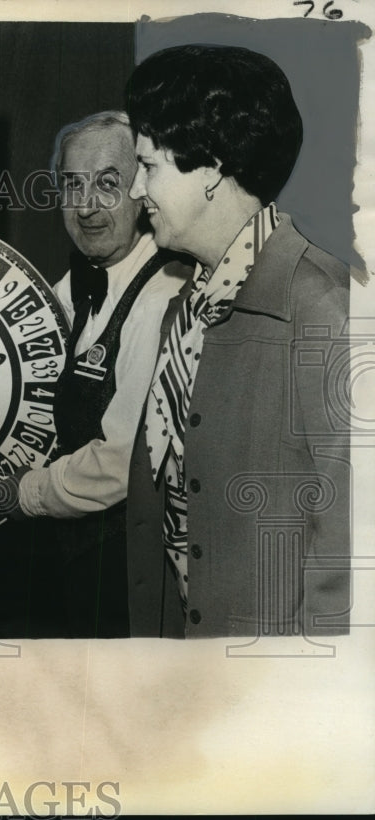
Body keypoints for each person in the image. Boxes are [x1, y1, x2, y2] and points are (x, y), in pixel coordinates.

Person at [124, 44, 351, 637]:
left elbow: (348, 550)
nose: (133, 192)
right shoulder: (189, 302)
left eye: (148, 167)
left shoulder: (322, 305)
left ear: (213, 168)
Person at [0, 112, 191, 638]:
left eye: (108, 184)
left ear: (144, 190)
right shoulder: (78, 283)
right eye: (72, 184)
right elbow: (7, 358)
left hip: (124, 572)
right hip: (64, 562)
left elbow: (120, 462)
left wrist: (26, 493)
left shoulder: (161, 298)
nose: (86, 207)